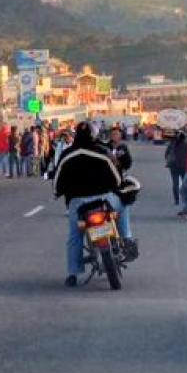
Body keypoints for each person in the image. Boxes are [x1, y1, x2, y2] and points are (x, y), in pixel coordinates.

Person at [54, 122, 134, 287]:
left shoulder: (67, 155)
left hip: (78, 205)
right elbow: (117, 179)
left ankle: (73, 273)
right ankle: (126, 238)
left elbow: (57, 184)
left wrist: (59, 192)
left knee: (75, 236)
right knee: (125, 202)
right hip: (104, 200)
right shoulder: (102, 153)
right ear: (93, 135)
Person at [165, 131, 187, 206]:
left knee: (175, 184)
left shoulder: (172, 144)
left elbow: (166, 154)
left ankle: (176, 200)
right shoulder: (186, 145)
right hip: (183, 166)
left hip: (173, 166)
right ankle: (185, 199)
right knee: (185, 183)